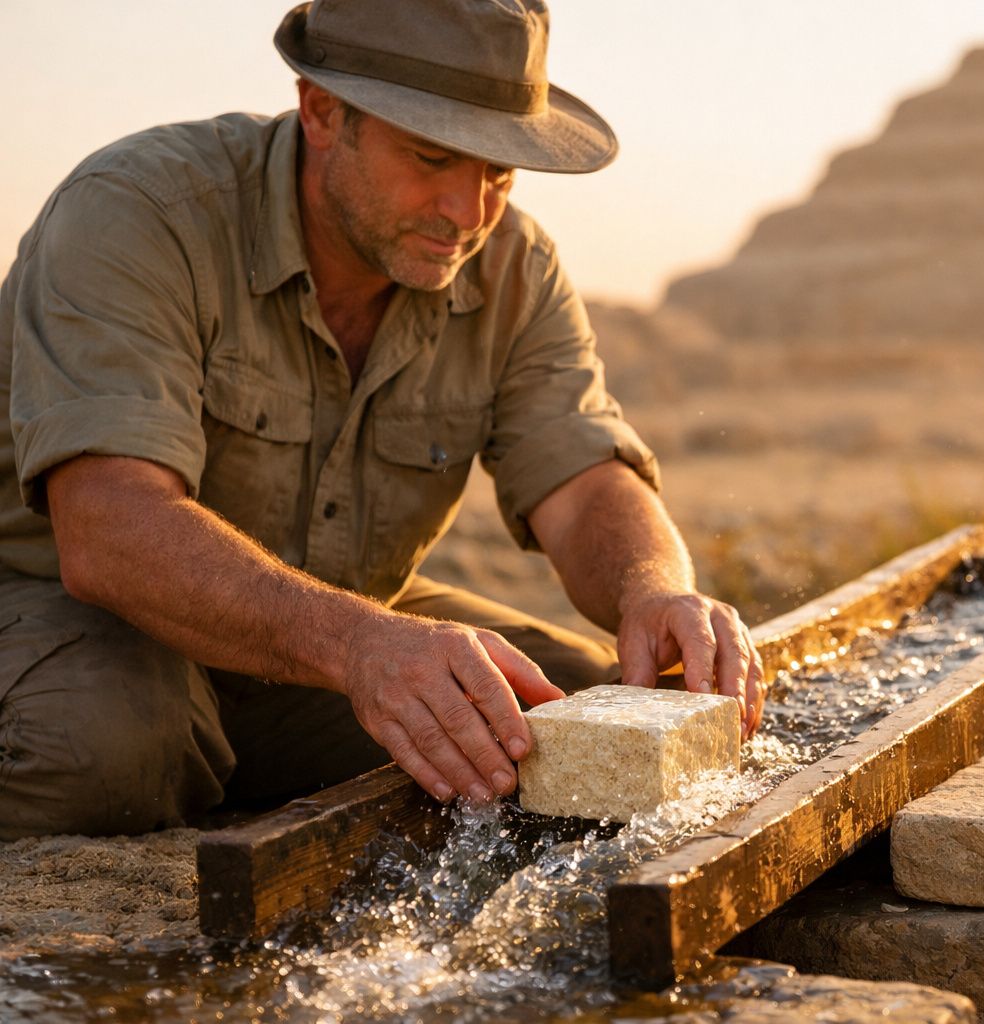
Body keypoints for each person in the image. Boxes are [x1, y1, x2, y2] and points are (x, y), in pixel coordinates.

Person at [0, 0, 763, 840]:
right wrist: (360, 646)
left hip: (328, 630)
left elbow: (582, 484)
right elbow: (109, 526)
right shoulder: (139, 213)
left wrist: (653, 589)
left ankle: (220, 760)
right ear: (323, 111)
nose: (467, 211)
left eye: (500, 171)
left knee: (584, 718)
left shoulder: (515, 267)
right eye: (433, 157)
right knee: (106, 749)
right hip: (63, 611)